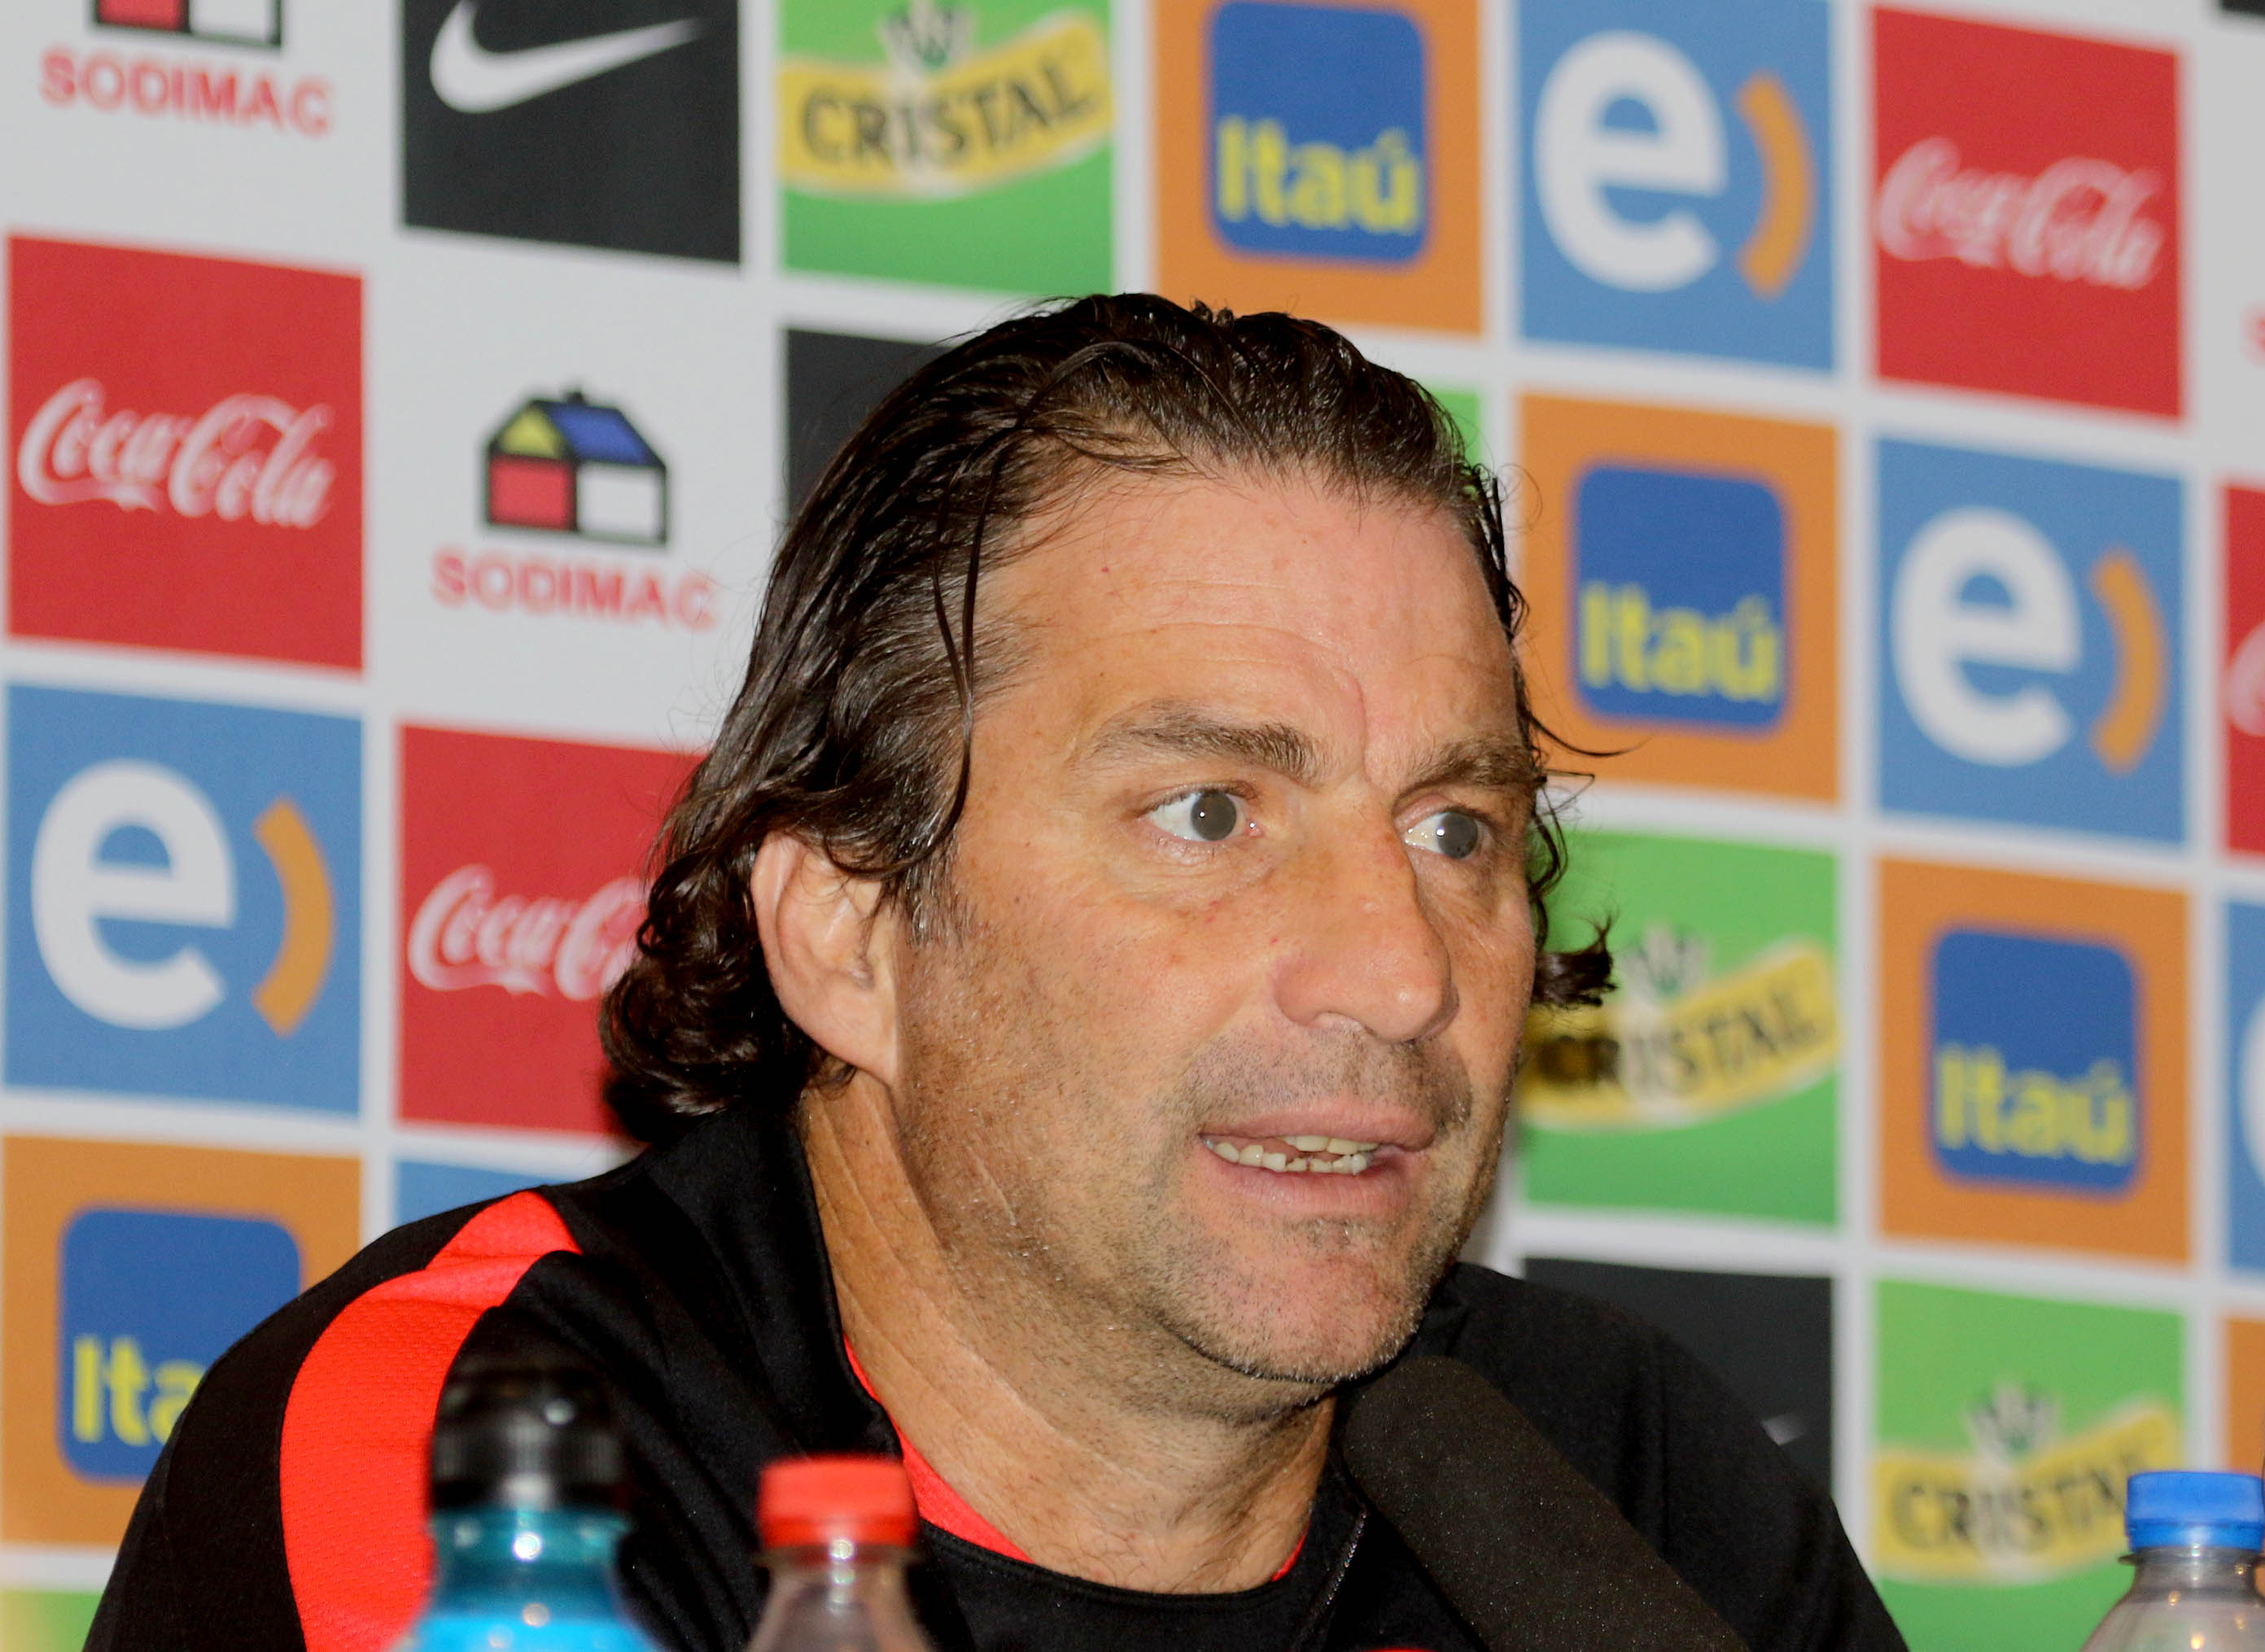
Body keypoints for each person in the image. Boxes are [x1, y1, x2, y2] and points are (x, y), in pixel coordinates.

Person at [88, 298, 1904, 1652]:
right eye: (1208, 811)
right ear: (847, 934)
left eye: (1455, 828)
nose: (1399, 971)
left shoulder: (1620, 1478)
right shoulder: (500, 1459)